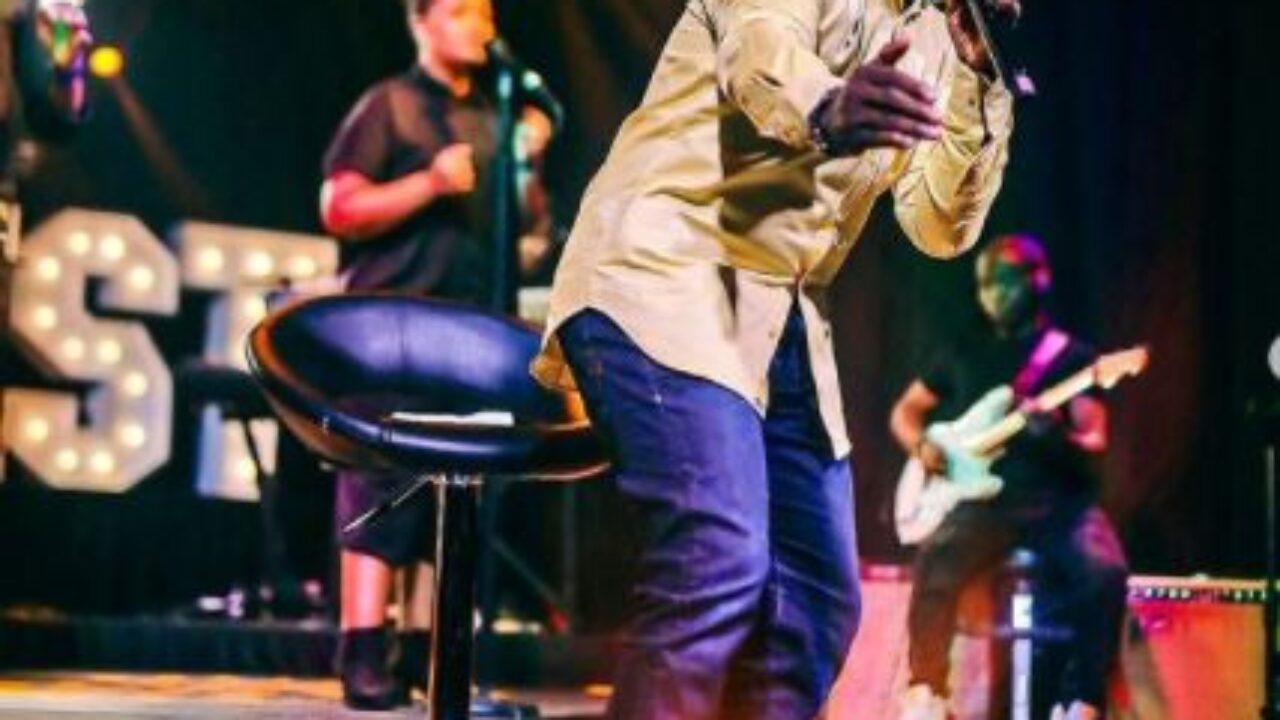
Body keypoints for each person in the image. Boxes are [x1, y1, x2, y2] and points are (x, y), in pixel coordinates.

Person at [531, 0, 1019, 717]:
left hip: (783, 312)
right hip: (667, 264)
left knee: (814, 598)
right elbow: (760, 50)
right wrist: (826, 106)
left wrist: (976, 73)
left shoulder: (937, 36)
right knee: (717, 559)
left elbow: (938, 226)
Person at [318, 0, 550, 709]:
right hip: (391, 325)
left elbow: (532, 227)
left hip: (472, 328)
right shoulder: (387, 105)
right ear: (421, 22)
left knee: (452, 484)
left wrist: (525, 162)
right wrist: (429, 183)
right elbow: (339, 206)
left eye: (484, 12)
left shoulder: (498, 115)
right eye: (459, 11)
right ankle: (362, 650)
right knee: (378, 479)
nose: (479, 24)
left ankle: (430, 649)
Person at [889, 234, 1128, 720]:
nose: (992, 294)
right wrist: (922, 445)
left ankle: (1082, 701)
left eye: (1004, 281)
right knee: (935, 564)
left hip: (1058, 505)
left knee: (1104, 572)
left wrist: (1054, 432)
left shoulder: (1071, 357)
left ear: (1038, 281)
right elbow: (906, 411)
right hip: (984, 504)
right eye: (984, 285)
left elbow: (1094, 440)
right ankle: (926, 691)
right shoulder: (962, 349)